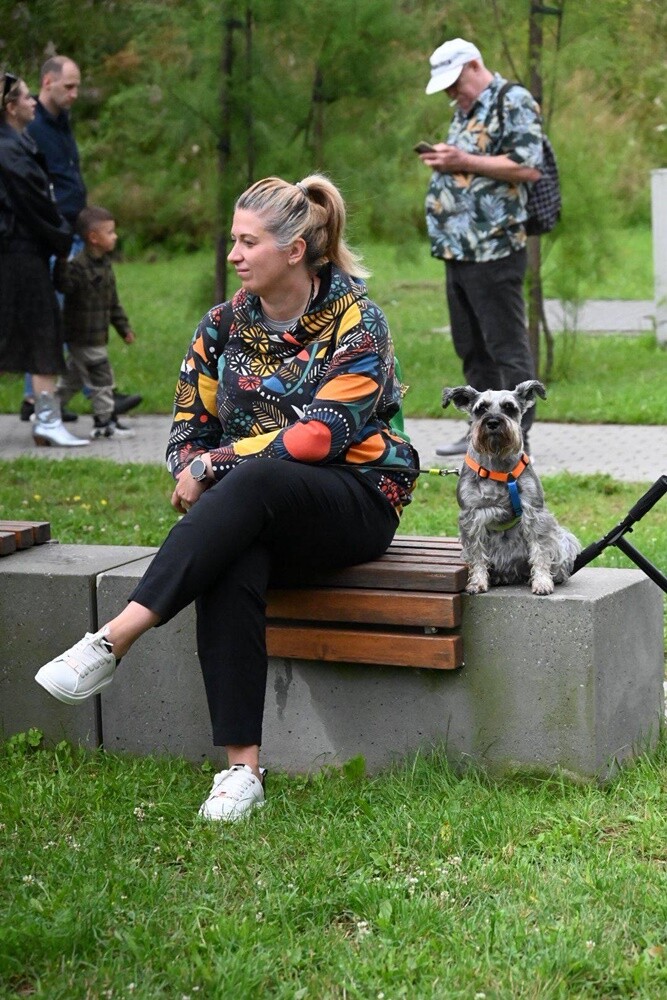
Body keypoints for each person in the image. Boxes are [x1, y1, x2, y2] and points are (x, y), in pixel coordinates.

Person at [34, 174, 420, 821]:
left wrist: (212, 467)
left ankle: (115, 637)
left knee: (256, 480)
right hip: (252, 504)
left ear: (293, 249)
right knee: (232, 553)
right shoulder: (219, 327)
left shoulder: (357, 320)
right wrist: (197, 465)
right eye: (233, 242)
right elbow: (187, 430)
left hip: (355, 500)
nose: (233, 255)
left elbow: (318, 439)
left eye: (248, 242)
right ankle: (241, 772)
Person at [418, 38, 543, 456]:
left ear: (474, 65)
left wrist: (461, 162)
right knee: (470, 344)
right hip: (458, 249)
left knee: (505, 344)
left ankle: (517, 436)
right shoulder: (465, 111)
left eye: (455, 83)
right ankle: (483, 431)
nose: (452, 94)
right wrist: (446, 159)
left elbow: (528, 166)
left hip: (495, 246)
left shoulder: (514, 101)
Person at [20, 55, 142, 423]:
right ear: (47, 82)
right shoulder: (33, 125)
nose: (75, 93)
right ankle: (45, 400)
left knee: (68, 314)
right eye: (68, 86)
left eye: (76, 86)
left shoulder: (61, 122)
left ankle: (59, 396)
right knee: (58, 315)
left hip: (74, 230)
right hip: (56, 235)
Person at [0, 71, 89, 448]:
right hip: (20, 253)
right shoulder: (9, 150)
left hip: (21, 251)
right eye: (25, 97)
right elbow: (36, 203)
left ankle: (47, 419)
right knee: (43, 330)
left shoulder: (15, 144)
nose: (33, 101)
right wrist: (61, 235)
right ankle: (47, 421)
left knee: (33, 331)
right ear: (10, 107)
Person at [54, 205, 138, 439]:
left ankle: (48, 408)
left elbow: (113, 304)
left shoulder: (105, 265)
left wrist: (124, 329)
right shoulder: (76, 267)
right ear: (94, 238)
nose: (115, 236)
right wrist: (61, 263)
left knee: (72, 379)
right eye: (110, 232)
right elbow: (64, 286)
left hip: (97, 335)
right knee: (102, 377)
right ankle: (104, 423)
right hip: (82, 337)